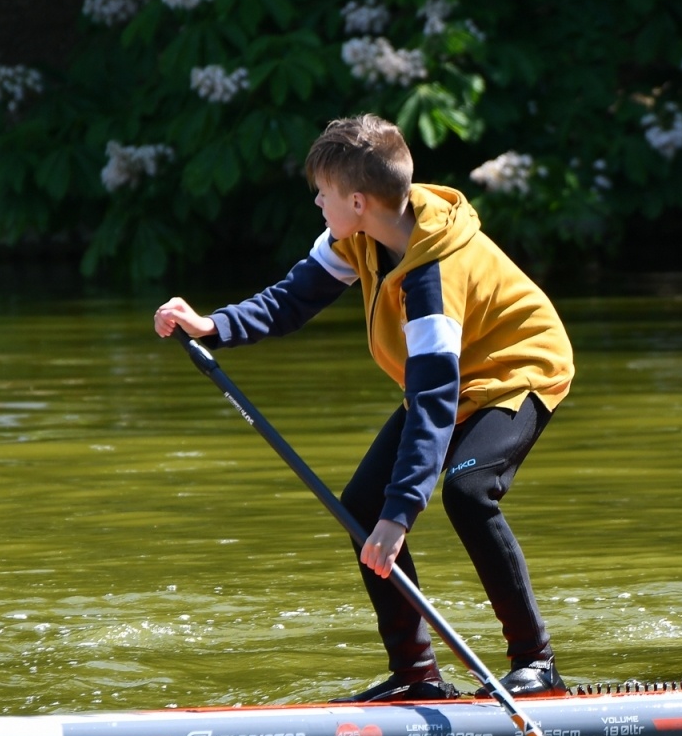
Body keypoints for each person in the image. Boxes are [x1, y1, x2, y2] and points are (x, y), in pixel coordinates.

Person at [154, 114, 574, 701]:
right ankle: (417, 678)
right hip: (451, 376)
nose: (317, 203)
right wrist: (214, 325)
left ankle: (537, 664)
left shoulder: (432, 280)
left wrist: (399, 517)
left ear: (356, 200)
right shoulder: (360, 235)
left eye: (322, 194)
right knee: (360, 508)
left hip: (517, 370)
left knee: (468, 490)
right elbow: (291, 301)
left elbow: (431, 401)